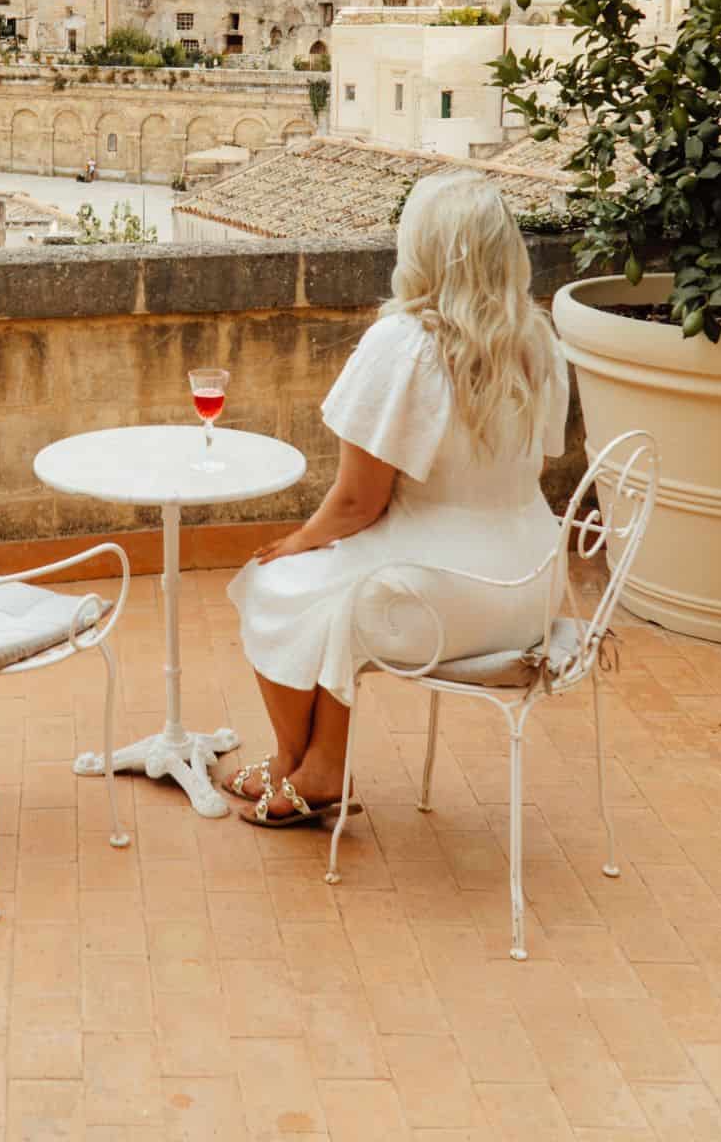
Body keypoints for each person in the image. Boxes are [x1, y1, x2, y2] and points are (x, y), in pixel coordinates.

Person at [224, 169, 568, 825]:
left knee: (272, 585)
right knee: (334, 590)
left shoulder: (404, 342)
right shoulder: (537, 337)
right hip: (533, 585)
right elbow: (539, 459)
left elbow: (359, 504)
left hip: (441, 601)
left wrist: (296, 542)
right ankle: (307, 768)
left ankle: (304, 770)